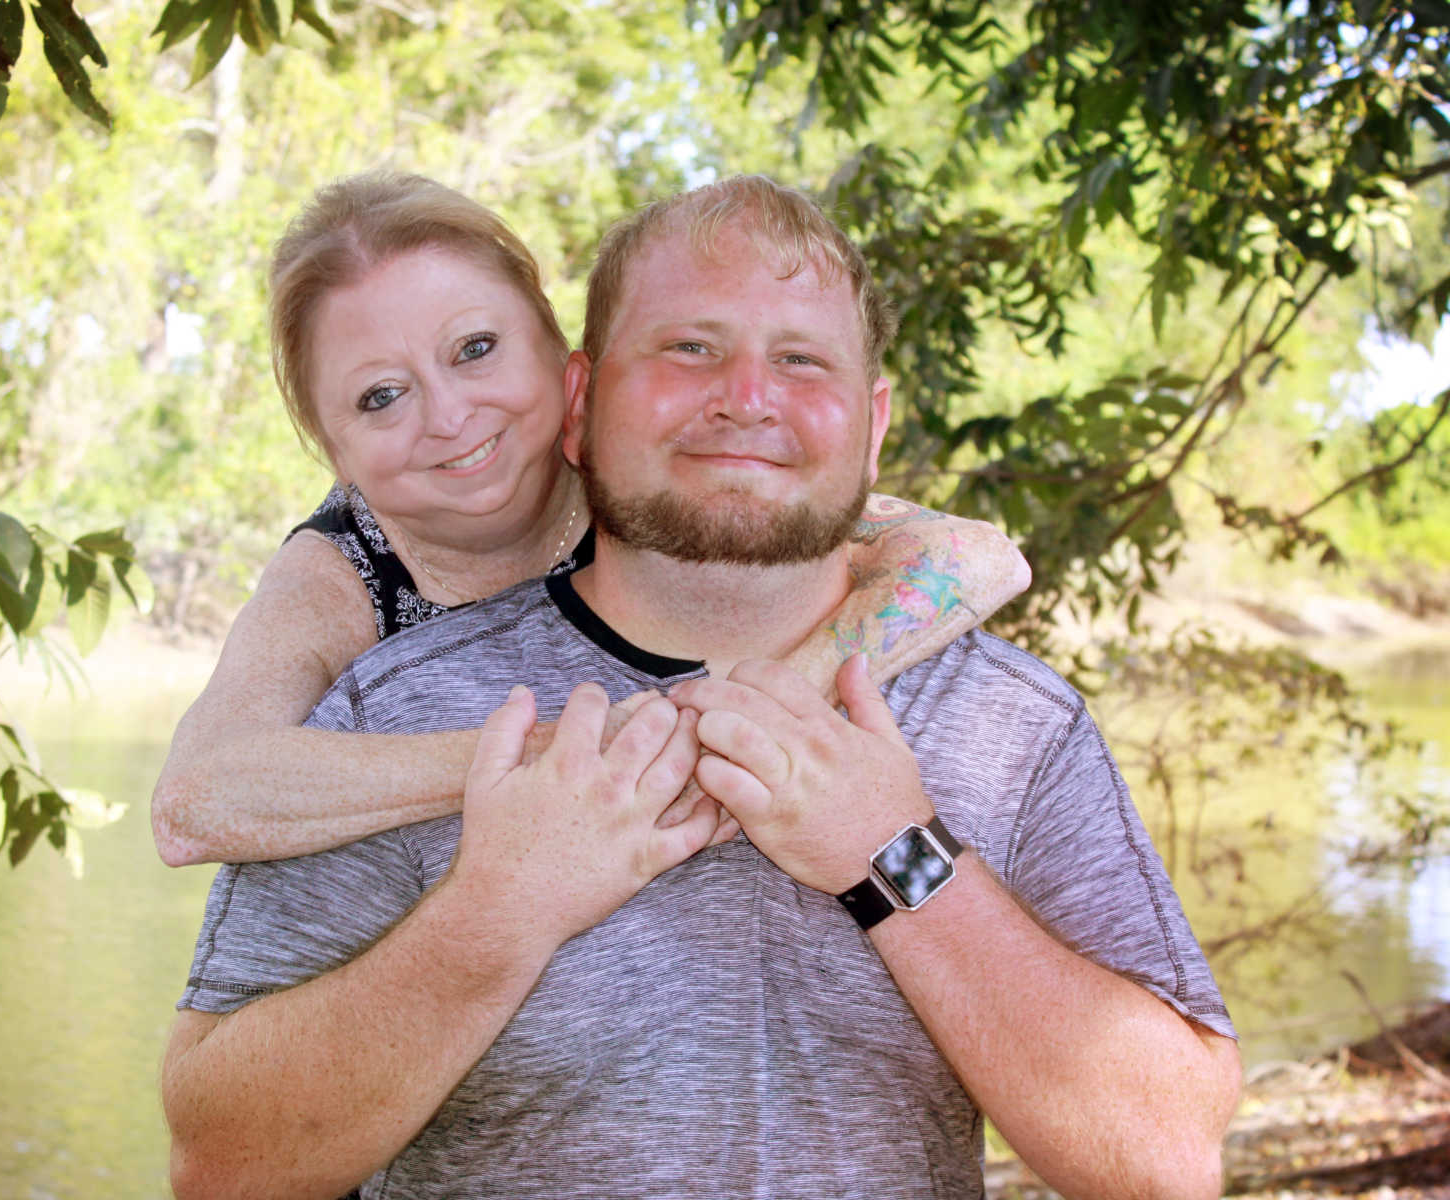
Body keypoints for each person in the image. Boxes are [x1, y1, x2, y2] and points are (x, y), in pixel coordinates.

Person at [162, 176, 1241, 1200]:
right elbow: (219, 1167)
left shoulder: (1010, 723)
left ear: (871, 429)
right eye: (691, 350)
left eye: (801, 362)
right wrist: (500, 909)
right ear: (584, 404)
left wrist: (892, 851)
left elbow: (1165, 1165)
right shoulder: (380, 694)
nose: (747, 400)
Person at [148, 170, 1030, 867]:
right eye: (382, 396)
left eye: (476, 350)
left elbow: (975, 558)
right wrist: (575, 755)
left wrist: (748, 714)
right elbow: (196, 801)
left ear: (569, 365)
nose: (450, 416)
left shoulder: (644, 486)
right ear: (333, 449)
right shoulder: (338, 572)